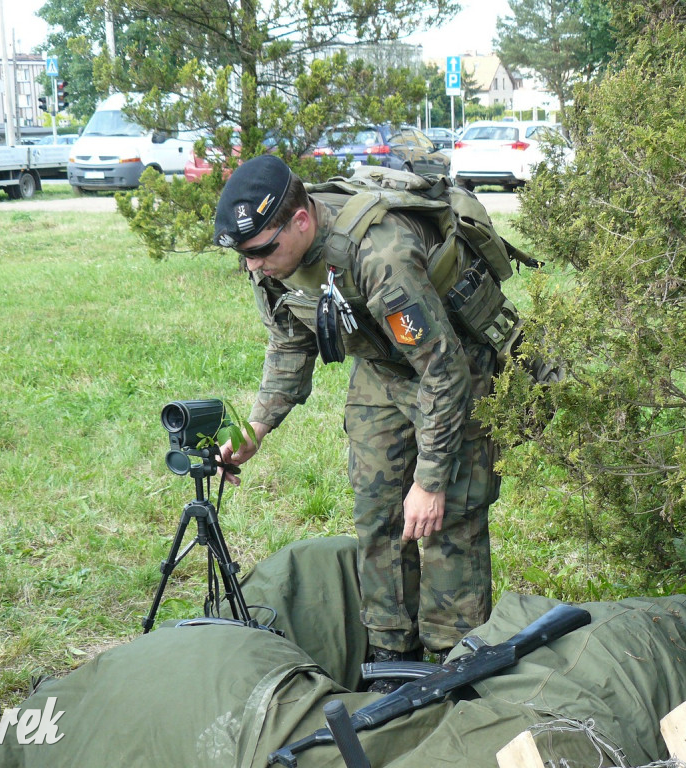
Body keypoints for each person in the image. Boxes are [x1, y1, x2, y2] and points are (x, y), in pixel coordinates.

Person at [213, 155, 500, 690]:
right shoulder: (275, 263)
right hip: (382, 367)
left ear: (302, 221)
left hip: (451, 365)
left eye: (260, 251)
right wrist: (252, 431)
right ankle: (390, 656)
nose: (253, 266)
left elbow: (444, 369)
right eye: (245, 256)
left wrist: (430, 480)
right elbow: (289, 345)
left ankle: (458, 661)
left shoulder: (380, 254)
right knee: (378, 513)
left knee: (446, 522)